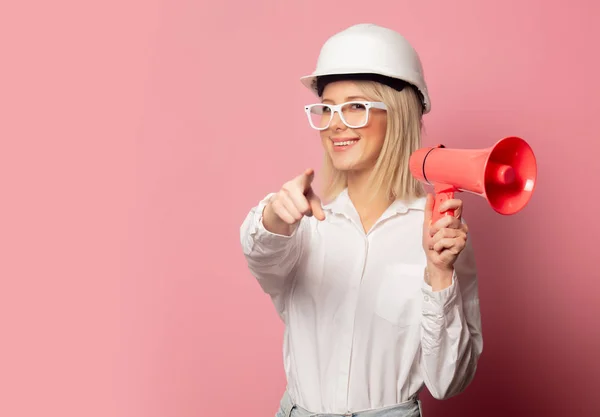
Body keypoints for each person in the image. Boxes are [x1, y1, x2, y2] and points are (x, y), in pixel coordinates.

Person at [240, 23, 482, 417]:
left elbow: (448, 381)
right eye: (328, 107)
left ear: (399, 114)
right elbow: (259, 254)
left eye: (356, 106)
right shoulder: (302, 223)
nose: (335, 123)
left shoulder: (440, 235)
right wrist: (273, 217)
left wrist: (439, 274)